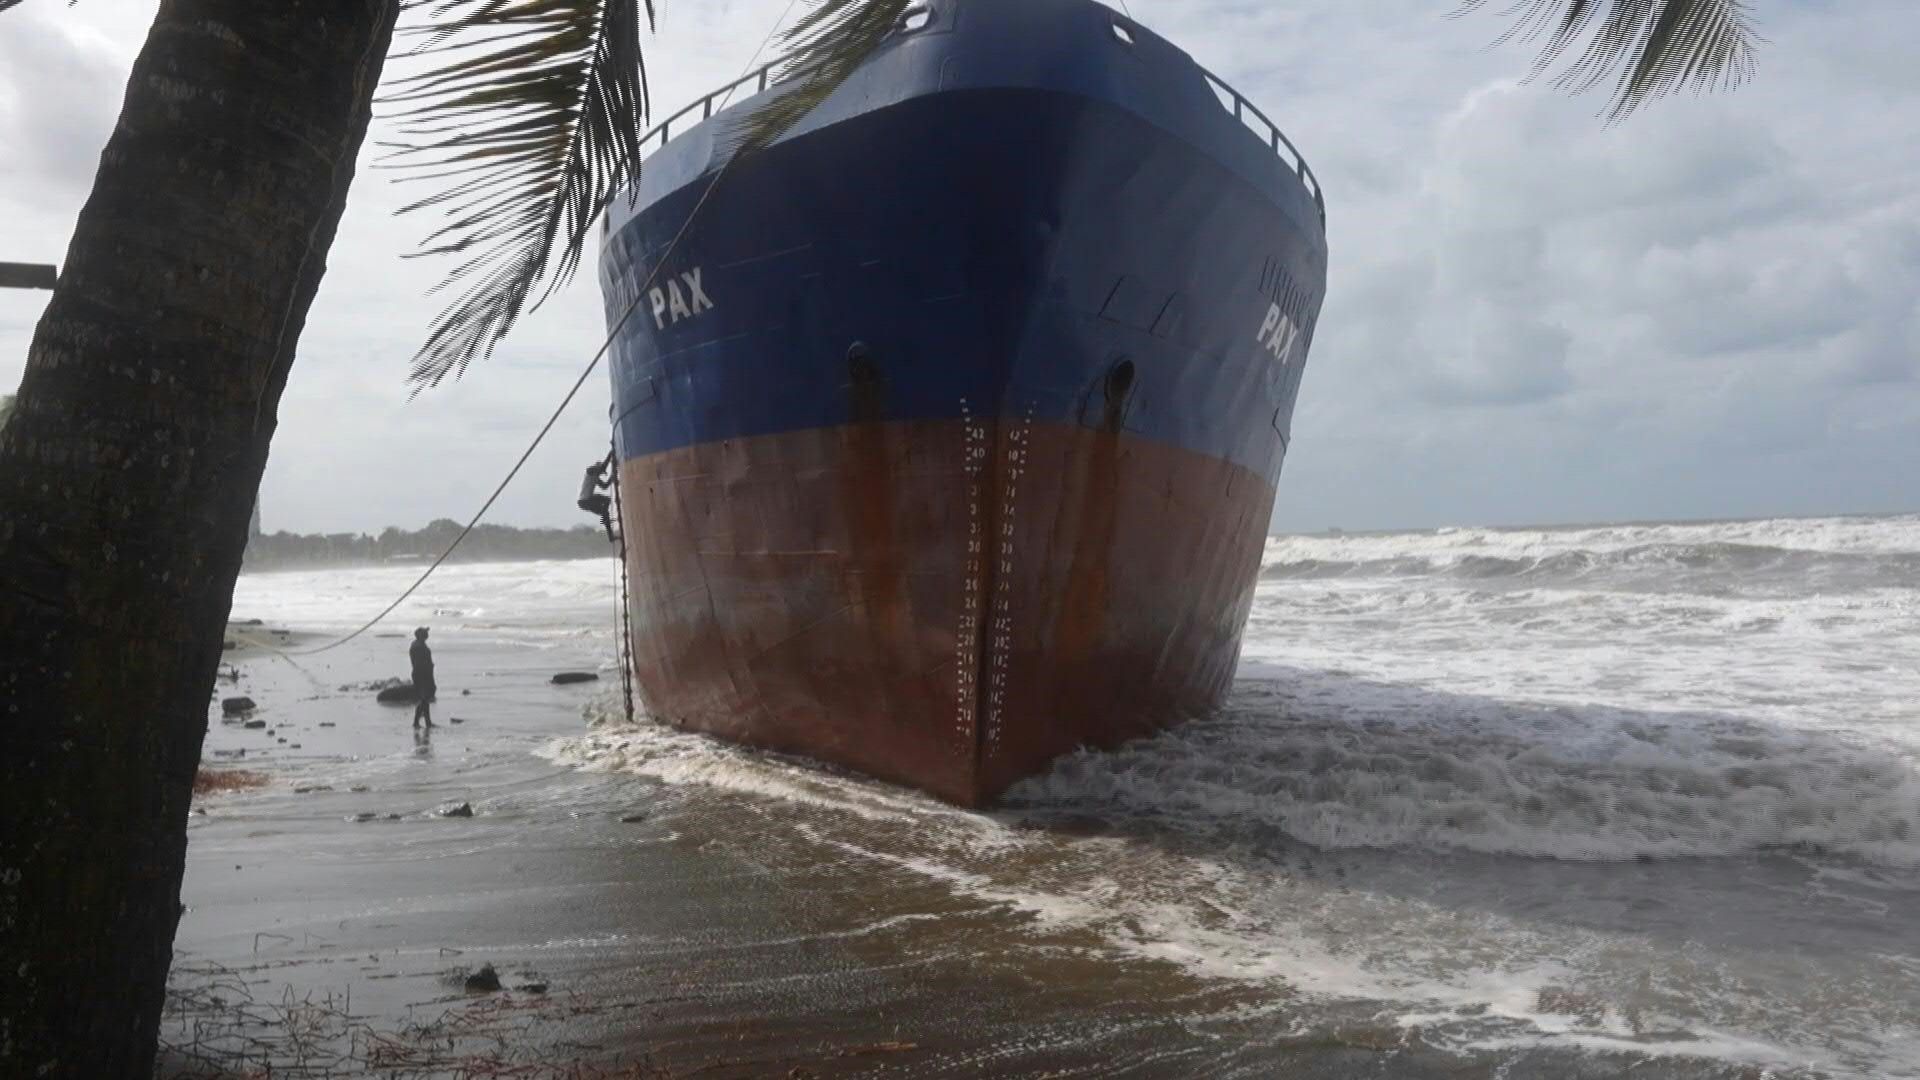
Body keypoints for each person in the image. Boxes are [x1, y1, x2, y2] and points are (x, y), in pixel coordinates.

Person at [410, 627, 436, 729]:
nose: (427, 633)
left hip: (422, 673)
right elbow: (420, 663)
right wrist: (429, 677)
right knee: (424, 699)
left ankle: (426, 722)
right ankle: (418, 722)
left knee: (425, 699)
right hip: (422, 674)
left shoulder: (418, 645)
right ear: (420, 635)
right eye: (425, 632)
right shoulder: (418, 646)